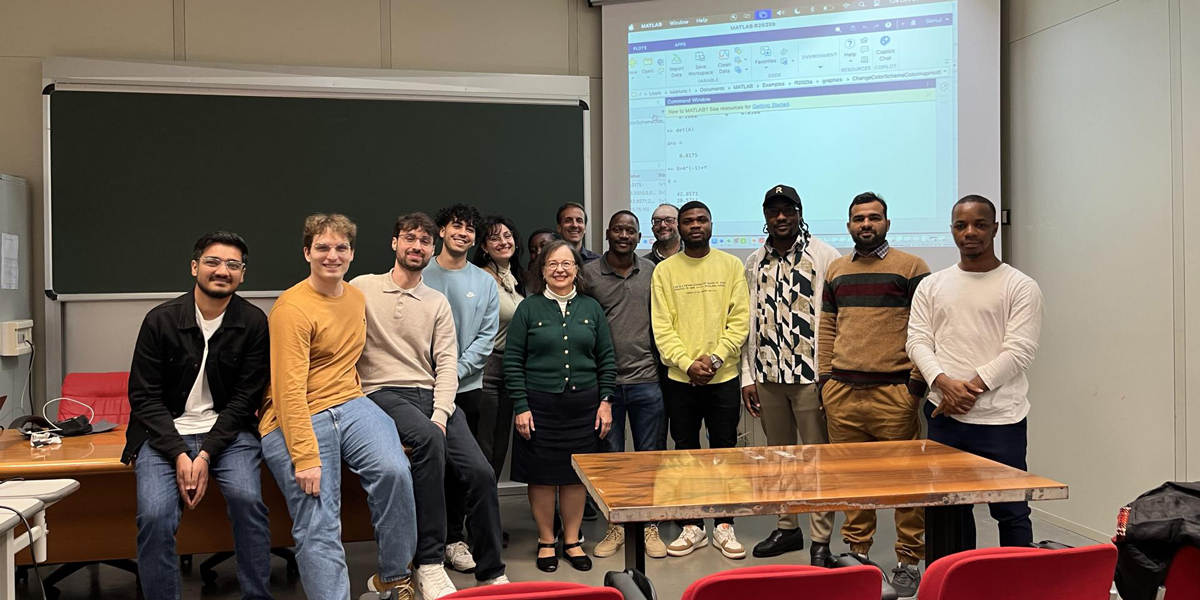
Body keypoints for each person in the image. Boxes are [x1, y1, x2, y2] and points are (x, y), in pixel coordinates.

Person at [259, 213, 418, 599]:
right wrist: (305, 455)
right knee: (318, 517)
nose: (332, 255)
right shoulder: (291, 308)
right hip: (296, 414)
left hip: (350, 403)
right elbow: (287, 389)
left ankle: (394, 579)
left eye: (340, 248)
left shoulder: (356, 298)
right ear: (307, 253)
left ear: (351, 254)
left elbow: (348, 364)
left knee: (396, 472)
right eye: (323, 248)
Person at [353, 213, 510, 599]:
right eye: (410, 238)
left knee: (480, 472)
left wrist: (442, 412)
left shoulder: (436, 301)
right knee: (427, 441)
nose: (417, 246)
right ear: (394, 243)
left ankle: (491, 572)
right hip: (383, 391)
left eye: (423, 241)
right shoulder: (361, 288)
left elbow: (445, 363)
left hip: (433, 393)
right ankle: (429, 562)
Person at [125, 231, 272, 600]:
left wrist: (205, 454)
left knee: (247, 500)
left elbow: (245, 400)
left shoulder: (254, 323)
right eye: (213, 261)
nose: (222, 271)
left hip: (228, 433)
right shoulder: (160, 320)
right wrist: (179, 453)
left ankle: (257, 596)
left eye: (232, 265)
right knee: (155, 516)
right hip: (161, 435)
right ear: (194, 267)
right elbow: (144, 397)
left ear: (243, 275)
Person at [907, 195, 1044, 550]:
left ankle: (1017, 586)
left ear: (995, 228)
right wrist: (942, 383)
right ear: (951, 230)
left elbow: (1020, 350)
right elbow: (917, 341)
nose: (970, 232)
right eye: (961, 225)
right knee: (947, 512)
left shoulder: (1020, 286)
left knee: (1011, 512)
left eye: (980, 224)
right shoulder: (932, 285)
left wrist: (967, 390)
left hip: (1001, 421)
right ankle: (949, 583)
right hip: (944, 419)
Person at [818, 192, 929, 597]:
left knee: (905, 484)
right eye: (858, 218)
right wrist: (826, 380)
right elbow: (827, 328)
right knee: (852, 483)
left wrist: (914, 387)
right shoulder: (836, 270)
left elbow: (925, 330)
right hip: (843, 394)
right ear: (849, 225)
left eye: (874, 218)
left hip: (893, 394)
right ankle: (858, 556)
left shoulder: (912, 267)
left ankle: (909, 560)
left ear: (887, 222)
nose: (866, 224)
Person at [740, 185, 841, 566]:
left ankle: (820, 538)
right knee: (778, 457)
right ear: (765, 217)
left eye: (788, 210)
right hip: (767, 376)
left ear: (799, 213)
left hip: (809, 377)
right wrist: (747, 376)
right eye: (773, 212)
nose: (780, 218)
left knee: (815, 459)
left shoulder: (824, 255)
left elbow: (831, 319)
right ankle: (787, 526)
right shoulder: (754, 261)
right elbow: (749, 323)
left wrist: (827, 373)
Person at [505, 239, 616, 573]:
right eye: (552, 264)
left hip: (583, 407)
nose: (560, 270)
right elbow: (513, 361)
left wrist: (606, 402)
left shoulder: (591, 308)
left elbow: (606, 358)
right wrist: (521, 406)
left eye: (567, 264)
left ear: (577, 270)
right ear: (542, 269)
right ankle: (545, 540)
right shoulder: (528, 308)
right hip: (539, 407)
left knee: (573, 478)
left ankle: (571, 540)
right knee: (541, 477)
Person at [650, 200, 750, 560]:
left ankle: (724, 525)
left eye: (701, 220)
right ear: (678, 227)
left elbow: (739, 320)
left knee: (724, 451)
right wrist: (686, 363)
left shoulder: (731, 265)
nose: (695, 225)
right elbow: (662, 326)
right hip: (681, 378)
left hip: (723, 377)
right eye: (688, 221)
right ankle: (692, 526)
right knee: (686, 452)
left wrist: (717, 357)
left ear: (711, 224)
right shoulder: (664, 271)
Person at [581, 211, 668, 560]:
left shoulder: (652, 272)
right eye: (617, 229)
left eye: (630, 230)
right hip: (606, 385)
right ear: (607, 234)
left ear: (638, 236)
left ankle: (649, 525)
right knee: (612, 460)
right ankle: (615, 526)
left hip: (647, 379)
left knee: (649, 459)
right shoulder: (588, 275)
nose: (623, 235)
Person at [422, 203, 499, 573]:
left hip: (466, 387)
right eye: (457, 226)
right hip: (420, 386)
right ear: (441, 231)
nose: (463, 233)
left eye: (470, 229)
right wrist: (434, 377)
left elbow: (486, 338)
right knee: (425, 466)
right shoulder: (419, 272)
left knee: (461, 470)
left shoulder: (484, 282)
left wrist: (453, 374)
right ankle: (425, 546)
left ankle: (455, 539)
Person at [470, 215, 526, 480]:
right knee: (484, 445)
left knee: (501, 444)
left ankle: (487, 510)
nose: (503, 242)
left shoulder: (514, 279)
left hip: (511, 369)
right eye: (494, 237)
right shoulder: (479, 279)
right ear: (483, 246)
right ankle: (474, 512)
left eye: (507, 235)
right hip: (487, 369)